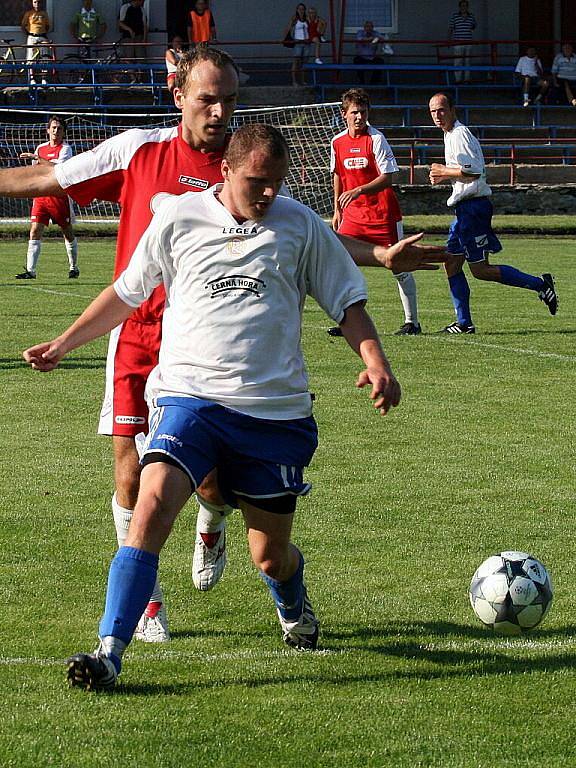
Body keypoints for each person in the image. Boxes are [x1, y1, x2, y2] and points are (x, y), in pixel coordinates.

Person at [0, 45, 446, 647]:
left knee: (233, 511)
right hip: (141, 335)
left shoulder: (248, 169)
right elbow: (44, 180)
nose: (219, 111)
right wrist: (65, 340)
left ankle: (214, 515)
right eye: (208, 98)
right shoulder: (138, 151)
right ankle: (136, 618)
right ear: (178, 93)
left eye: (230, 100)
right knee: (136, 480)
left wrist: (380, 254)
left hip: (242, 370)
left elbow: (313, 242)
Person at [23, 123, 403, 691]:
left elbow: (346, 302)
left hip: (273, 413)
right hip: (189, 397)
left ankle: (293, 606)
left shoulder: (299, 225)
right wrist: (63, 343)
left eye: (277, 182)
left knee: (270, 556)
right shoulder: (177, 217)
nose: (268, 193)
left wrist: (376, 361)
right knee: (150, 505)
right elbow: (127, 292)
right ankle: (109, 652)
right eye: (257, 181)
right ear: (225, 170)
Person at [428, 92, 558, 333]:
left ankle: (541, 285)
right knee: (451, 263)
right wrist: (445, 173)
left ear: (452, 109)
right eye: (433, 111)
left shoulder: (459, 134)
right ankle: (464, 323)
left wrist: (444, 171)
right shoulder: (450, 135)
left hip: (473, 209)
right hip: (464, 210)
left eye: (441, 110)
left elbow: (474, 171)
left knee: (480, 270)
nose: (437, 115)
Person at [330, 88, 420, 335]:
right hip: (353, 215)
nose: (359, 117)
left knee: (398, 265)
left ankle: (412, 322)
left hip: (382, 213)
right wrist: (337, 209)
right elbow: (338, 174)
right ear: (344, 114)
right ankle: (347, 320)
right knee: (343, 262)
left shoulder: (376, 139)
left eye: (363, 112)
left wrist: (358, 190)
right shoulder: (337, 142)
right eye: (355, 113)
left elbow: (388, 177)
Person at [16, 116, 79, 281]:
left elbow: (60, 168)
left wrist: (38, 160)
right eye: (53, 128)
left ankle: (73, 267)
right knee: (35, 230)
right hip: (41, 196)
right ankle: (31, 271)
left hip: (59, 196)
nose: (55, 131)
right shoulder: (40, 148)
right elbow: (37, 171)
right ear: (48, 130)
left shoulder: (66, 149)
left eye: (59, 128)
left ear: (64, 132)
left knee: (67, 232)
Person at [21, 0, 51, 86]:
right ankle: (32, 78)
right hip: (32, 37)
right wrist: (29, 33)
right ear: (32, 3)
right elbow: (23, 25)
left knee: (44, 57)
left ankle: (44, 78)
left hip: (42, 36)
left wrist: (43, 32)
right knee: (31, 58)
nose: (37, 4)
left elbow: (48, 26)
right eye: (35, 2)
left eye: (38, 2)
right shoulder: (29, 14)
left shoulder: (44, 14)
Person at [118, 0, 148, 83]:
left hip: (139, 36)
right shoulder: (125, 8)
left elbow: (145, 25)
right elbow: (120, 22)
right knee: (128, 57)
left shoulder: (142, 9)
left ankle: (139, 78)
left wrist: (144, 38)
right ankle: (133, 77)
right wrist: (129, 30)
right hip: (128, 37)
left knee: (141, 58)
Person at [448, 0, 476, 84]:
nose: (464, 7)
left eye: (465, 6)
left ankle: (466, 80)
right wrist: (449, 40)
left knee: (467, 61)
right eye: (462, 6)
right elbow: (450, 29)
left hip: (468, 43)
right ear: (459, 7)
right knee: (458, 61)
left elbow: (473, 27)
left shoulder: (471, 17)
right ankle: (458, 80)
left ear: (467, 7)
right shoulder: (455, 16)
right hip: (458, 43)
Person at [284, 4, 310, 87]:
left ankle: (302, 81)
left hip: (306, 43)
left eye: (302, 9)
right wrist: (287, 38)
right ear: (297, 10)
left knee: (304, 63)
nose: (301, 11)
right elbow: (288, 28)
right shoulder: (295, 18)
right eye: (299, 9)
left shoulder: (307, 19)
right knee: (296, 62)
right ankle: (294, 81)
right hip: (298, 43)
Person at [353, 21, 385, 85]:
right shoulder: (360, 32)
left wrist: (376, 39)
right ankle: (361, 82)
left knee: (380, 62)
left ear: (373, 28)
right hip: (362, 57)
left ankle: (373, 83)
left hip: (372, 57)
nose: (369, 28)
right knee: (356, 60)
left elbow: (382, 39)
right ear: (364, 27)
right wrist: (373, 39)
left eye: (371, 26)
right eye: (367, 26)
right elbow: (360, 39)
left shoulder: (375, 33)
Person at [551, 42, 576, 106]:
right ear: (563, 50)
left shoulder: (575, 57)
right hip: (562, 78)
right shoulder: (558, 57)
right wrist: (555, 82)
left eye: (569, 48)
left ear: (572, 49)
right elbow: (554, 71)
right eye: (566, 48)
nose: (567, 50)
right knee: (565, 83)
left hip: (574, 78)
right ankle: (572, 101)